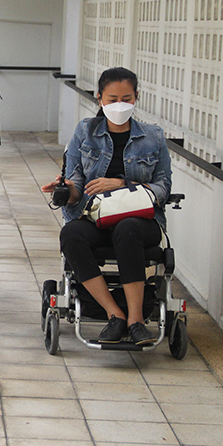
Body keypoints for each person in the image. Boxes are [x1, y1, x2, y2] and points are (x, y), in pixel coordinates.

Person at [41, 67, 172, 346]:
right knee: (71, 235)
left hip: (140, 222)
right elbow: (76, 178)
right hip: (94, 217)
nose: (119, 105)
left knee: (127, 229)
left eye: (126, 98)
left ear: (137, 97)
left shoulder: (154, 137)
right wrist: (67, 190)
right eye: (112, 99)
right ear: (99, 98)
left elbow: (163, 187)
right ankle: (116, 315)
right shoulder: (85, 131)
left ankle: (136, 320)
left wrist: (121, 184)